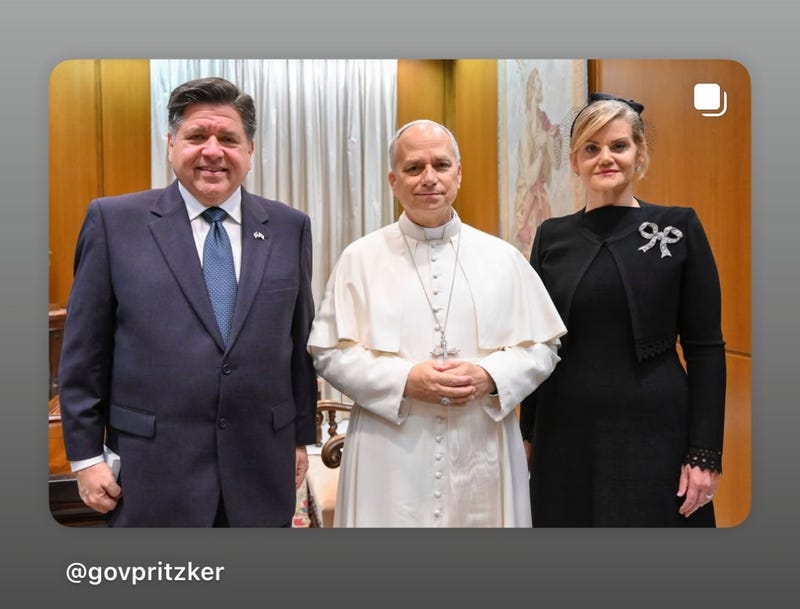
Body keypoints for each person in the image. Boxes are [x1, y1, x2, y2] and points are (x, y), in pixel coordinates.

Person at [58, 77, 318, 527]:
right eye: (197, 136)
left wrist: (300, 439)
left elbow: (297, 346)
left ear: (250, 151)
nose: (213, 151)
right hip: (150, 473)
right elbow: (84, 355)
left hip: (261, 471)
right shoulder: (114, 222)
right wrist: (84, 457)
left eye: (229, 139)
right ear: (172, 143)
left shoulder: (288, 226)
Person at [307, 119, 566, 527]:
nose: (429, 178)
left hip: (481, 443)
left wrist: (490, 374)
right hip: (388, 452)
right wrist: (406, 379)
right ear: (394, 180)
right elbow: (329, 352)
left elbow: (543, 347)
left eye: (441, 165)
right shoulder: (360, 259)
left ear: (458, 174)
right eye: (413, 168)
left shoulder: (502, 258)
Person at [520, 93, 726, 526]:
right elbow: (536, 348)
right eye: (591, 149)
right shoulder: (550, 237)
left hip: (657, 434)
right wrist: (527, 437)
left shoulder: (679, 227)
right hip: (566, 434)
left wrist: (705, 454)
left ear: (640, 154)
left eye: (618, 146)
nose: (605, 158)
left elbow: (705, 349)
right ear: (575, 162)